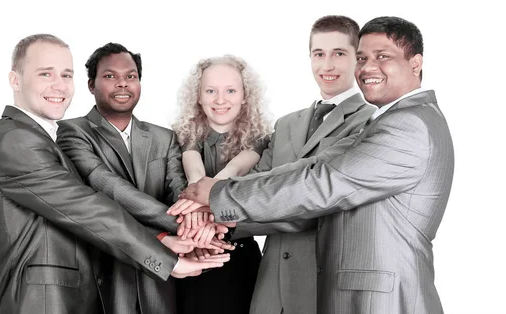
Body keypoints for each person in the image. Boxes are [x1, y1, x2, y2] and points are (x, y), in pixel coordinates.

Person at [171, 16, 454, 314]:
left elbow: (322, 185)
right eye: (362, 58)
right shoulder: (385, 121)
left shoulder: (408, 124)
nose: (368, 67)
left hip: (380, 300)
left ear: (416, 63)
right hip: (306, 290)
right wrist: (220, 215)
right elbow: (311, 169)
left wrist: (217, 197)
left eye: (382, 57)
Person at [0, 34, 229, 314]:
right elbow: (89, 209)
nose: (59, 85)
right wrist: (169, 255)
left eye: (66, 75)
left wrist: (180, 232)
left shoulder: (36, 137)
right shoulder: (17, 141)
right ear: (16, 80)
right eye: (45, 73)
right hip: (42, 302)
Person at [57, 42, 231, 314]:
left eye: (131, 76)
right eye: (110, 76)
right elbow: (107, 187)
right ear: (91, 84)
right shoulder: (72, 132)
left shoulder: (164, 137)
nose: (122, 84)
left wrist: (195, 218)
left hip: (161, 283)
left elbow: (179, 190)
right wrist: (189, 225)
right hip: (105, 278)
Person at [244, 15, 376, 314]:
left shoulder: (370, 122)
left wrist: (218, 223)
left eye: (338, 54)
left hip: (324, 288)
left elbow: (310, 206)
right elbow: (254, 185)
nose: (326, 65)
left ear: (358, 58)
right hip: (270, 288)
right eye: (319, 54)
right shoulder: (287, 123)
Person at [171, 55, 270, 314]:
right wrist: (198, 209)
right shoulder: (181, 134)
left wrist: (201, 208)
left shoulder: (262, 138)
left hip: (236, 252)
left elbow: (230, 172)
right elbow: (194, 173)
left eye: (230, 90)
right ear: (198, 96)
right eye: (211, 91)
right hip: (192, 251)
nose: (220, 99)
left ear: (245, 96)